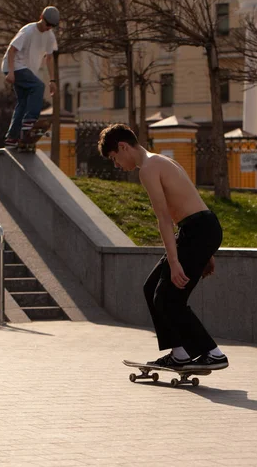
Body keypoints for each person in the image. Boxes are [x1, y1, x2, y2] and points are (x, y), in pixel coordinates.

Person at [98, 123, 229, 371]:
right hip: (201, 228)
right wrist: (206, 253)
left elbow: (163, 219)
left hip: (198, 231)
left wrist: (175, 261)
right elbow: (192, 201)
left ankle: (212, 353)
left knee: (169, 297)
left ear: (123, 147)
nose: (117, 165)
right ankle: (179, 353)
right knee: (152, 288)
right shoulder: (161, 160)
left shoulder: (147, 169)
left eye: (115, 158)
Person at [2, 6, 60, 147]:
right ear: (41, 17)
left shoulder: (49, 35)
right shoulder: (28, 30)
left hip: (25, 70)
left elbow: (49, 58)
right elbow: (11, 50)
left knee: (22, 102)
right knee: (38, 86)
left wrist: (52, 80)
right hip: (15, 66)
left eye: (51, 26)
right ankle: (29, 121)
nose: (48, 28)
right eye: (47, 24)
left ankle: (12, 138)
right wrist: (10, 72)